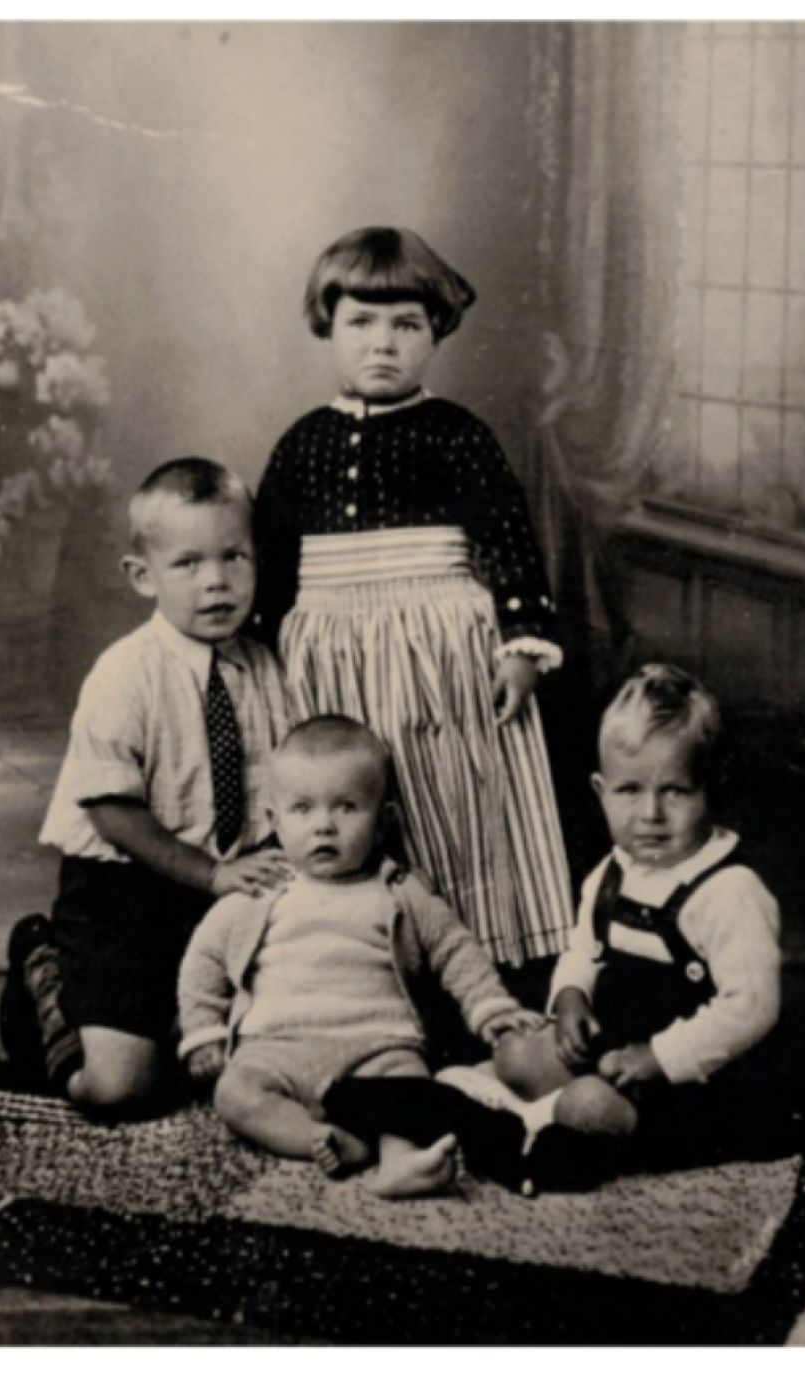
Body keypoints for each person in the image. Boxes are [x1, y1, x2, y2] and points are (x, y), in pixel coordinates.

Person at [252, 226, 573, 975]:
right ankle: (353, 961)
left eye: (406, 325)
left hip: (439, 650)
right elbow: (271, 561)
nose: (383, 343)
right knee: (343, 797)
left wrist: (521, 645)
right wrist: (264, 650)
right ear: (327, 328)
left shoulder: (457, 435)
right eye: (361, 322)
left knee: (450, 797)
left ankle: (473, 964)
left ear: (435, 333)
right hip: (331, 649)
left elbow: (509, 540)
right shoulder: (302, 444)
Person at [0, 458, 289, 1115]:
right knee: (121, 1089)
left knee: (264, 1054)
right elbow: (111, 812)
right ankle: (44, 968)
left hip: (221, 891)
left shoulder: (267, 668)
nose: (216, 581)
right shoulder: (125, 672)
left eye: (234, 557)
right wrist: (212, 874)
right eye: (187, 563)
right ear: (142, 576)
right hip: (122, 893)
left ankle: (181, 1018)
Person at [442, 664, 784, 1190]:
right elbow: (583, 950)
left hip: (695, 1081)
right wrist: (571, 996)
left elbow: (751, 1009)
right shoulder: (611, 873)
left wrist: (659, 1058)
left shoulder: (729, 890)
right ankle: (529, 1106)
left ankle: (532, 1122)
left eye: (675, 791)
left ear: (709, 789)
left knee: (588, 1104)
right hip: (617, 1052)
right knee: (516, 1052)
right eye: (629, 790)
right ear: (600, 791)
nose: (651, 813)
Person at [178, 715, 544, 1198]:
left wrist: (490, 1008)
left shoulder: (398, 890)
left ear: (383, 820)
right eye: (302, 809)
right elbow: (204, 957)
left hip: (379, 1048)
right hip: (277, 1046)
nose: (324, 825)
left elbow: (454, 949)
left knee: (411, 1085)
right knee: (234, 1093)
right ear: (274, 821)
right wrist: (202, 1031)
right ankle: (323, 1139)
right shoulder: (261, 892)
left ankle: (400, 1161)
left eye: (347, 807)